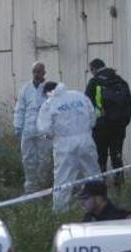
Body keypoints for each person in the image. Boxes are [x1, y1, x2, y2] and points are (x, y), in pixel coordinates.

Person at [37, 82, 99, 213]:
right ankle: (99, 207)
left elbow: (44, 130)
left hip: (64, 144)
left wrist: (52, 135)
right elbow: (93, 118)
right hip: (86, 140)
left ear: (48, 92)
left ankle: (60, 212)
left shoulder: (50, 103)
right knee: (93, 175)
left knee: (63, 180)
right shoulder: (79, 96)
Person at [85, 58, 131, 187]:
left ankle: (101, 187)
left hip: (100, 128)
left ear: (93, 69)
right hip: (118, 128)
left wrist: (91, 124)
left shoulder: (94, 82)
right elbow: (130, 106)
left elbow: (86, 106)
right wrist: (123, 122)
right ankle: (120, 186)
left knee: (100, 157)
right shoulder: (120, 81)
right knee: (116, 156)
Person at [14, 62, 52, 193]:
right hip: (28, 129)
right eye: (34, 71)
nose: (37, 74)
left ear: (44, 73)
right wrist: (18, 126)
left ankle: (43, 185)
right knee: (28, 158)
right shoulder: (25, 89)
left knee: (45, 157)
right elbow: (20, 109)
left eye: (39, 71)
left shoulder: (49, 88)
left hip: (44, 131)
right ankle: (31, 187)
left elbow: (54, 109)